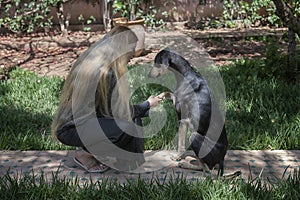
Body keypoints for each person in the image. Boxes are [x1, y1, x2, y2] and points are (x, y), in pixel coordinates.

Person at [51, 26, 162, 173]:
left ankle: (127, 160)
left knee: (133, 121)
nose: (133, 55)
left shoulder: (95, 60)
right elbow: (119, 114)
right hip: (71, 130)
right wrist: (148, 104)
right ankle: (84, 154)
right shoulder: (106, 74)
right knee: (126, 126)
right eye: (132, 49)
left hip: (82, 124)